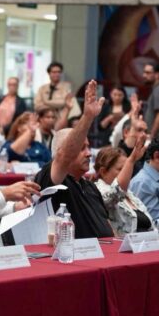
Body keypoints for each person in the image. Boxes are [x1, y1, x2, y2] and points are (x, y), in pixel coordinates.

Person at [34, 80, 113, 238]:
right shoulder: (53, 180)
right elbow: (64, 156)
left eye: (88, 147)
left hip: (105, 249)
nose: (89, 154)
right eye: (81, 148)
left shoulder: (90, 187)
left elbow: (107, 226)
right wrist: (87, 117)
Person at [95, 141, 154, 236]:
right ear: (103, 172)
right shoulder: (97, 192)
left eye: (127, 168)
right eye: (121, 169)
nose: (127, 172)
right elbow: (115, 193)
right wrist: (131, 160)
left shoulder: (129, 193)